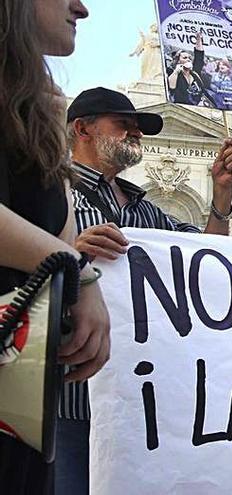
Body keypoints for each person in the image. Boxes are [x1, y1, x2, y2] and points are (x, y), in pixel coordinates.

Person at [57, 86, 232, 494]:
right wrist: (68, 254)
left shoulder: (145, 210)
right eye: (124, 125)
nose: (136, 134)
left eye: (138, 129)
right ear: (82, 128)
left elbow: (203, 259)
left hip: (140, 401)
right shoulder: (50, 192)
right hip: (70, 400)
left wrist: (222, 196)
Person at [0, 1, 111, 493]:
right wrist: (79, 272)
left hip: (23, 392)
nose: (80, 8)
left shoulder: (35, 101)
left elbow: (56, 226)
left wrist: (48, 122)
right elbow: (65, 253)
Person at [166, 32, 210, 106]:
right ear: (178, 60)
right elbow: (171, 87)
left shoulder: (195, 72)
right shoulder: (171, 71)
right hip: (181, 108)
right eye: (185, 58)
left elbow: (199, 55)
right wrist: (176, 72)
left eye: (189, 58)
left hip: (199, 108)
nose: (188, 59)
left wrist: (198, 39)